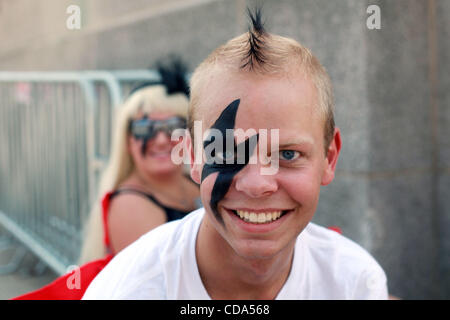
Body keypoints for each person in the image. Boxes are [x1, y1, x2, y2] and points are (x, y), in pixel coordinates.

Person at [82, 9, 388, 300]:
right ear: (192, 156)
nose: (256, 184)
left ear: (329, 158)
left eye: (288, 154)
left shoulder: (356, 282)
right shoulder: (130, 290)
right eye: (225, 151)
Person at [78, 58, 200, 263]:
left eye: (173, 125)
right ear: (127, 140)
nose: (161, 140)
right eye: (144, 128)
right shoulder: (129, 204)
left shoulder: (195, 180)